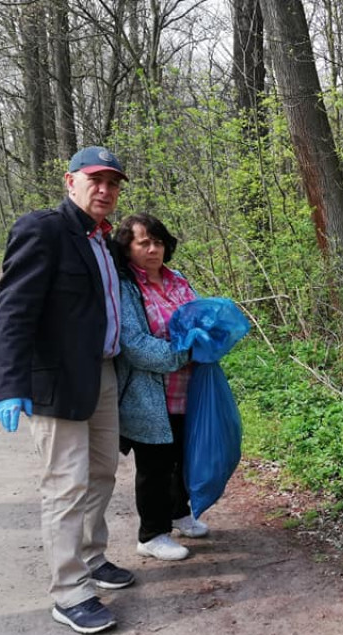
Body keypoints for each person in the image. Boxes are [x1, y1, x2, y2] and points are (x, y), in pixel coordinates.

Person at [0, 146, 133, 635]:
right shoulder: (45, 230)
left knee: (102, 473)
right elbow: (12, 311)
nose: (105, 190)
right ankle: (69, 590)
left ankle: (92, 557)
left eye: (113, 183)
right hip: (58, 382)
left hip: (104, 374)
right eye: (95, 179)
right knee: (66, 484)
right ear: (70, 182)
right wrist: (10, 384)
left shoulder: (105, 241)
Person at [114, 213, 210, 563]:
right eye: (144, 242)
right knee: (155, 465)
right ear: (127, 247)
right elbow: (134, 343)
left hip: (188, 388)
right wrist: (183, 352)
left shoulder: (178, 280)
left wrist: (211, 335)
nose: (153, 249)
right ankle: (151, 534)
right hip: (148, 394)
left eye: (158, 242)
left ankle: (179, 513)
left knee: (185, 456)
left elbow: (200, 316)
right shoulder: (125, 287)